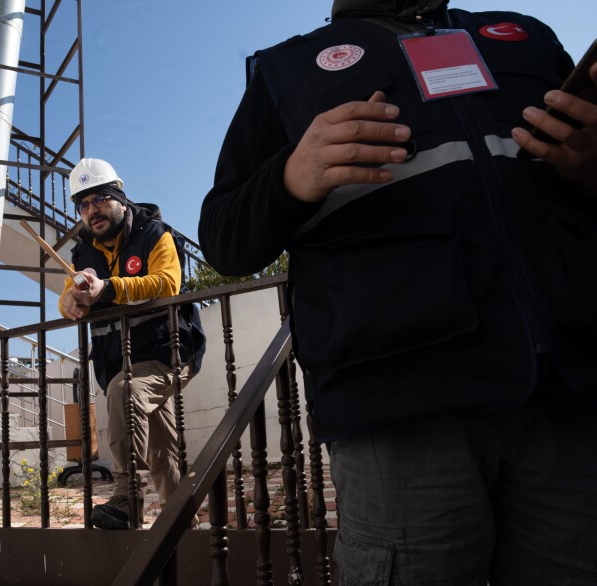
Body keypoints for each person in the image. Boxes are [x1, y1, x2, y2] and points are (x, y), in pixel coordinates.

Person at [199, 0, 597, 583]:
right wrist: (291, 177)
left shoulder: (525, 36)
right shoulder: (286, 68)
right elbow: (224, 238)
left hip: (568, 391)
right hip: (399, 408)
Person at [59, 158, 206, 530]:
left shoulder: (155, 234)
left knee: (125, 393)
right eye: (83, 204)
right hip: (117, 360)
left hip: (166, 352)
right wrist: (72, 302)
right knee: (162, 451)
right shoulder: (82, 253)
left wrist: (107, 288)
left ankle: (127, 499)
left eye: (99, 199)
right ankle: (182, 529)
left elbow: (166, 283)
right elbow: (67, 298)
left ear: (119, 198)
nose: (92, 210)